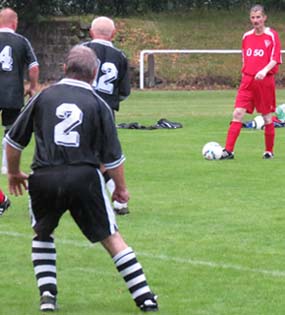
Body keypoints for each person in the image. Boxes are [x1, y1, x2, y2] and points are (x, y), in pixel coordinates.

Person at [5, 45, 158, 313]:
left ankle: (48, 297)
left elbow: (13, 141)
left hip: (44, 176)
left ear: (64, 69)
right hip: (84, 177)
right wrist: (121, 190)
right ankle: (145, 298)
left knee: (42, 233)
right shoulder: (99, 104)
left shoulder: (42, 97)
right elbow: (114, 158)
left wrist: (15, 173)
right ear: (95, 73)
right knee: (112, 238)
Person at [82, 16, 131, 215]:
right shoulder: (120, 56)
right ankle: (119, 201)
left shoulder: (81, 51)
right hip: (106, 112)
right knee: (106, 156)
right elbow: (125, 90)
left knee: (74, 153)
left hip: (80, 106)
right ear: (113, 34)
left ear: (91, 32)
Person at [221, 4, 282, 160]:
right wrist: (245, 73)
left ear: (264, 18)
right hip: (247, 81)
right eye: (253, 18)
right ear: (250, 19)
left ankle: (269, 151)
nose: (256, 21)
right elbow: (244, 57)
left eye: (258, 17)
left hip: (265, 81)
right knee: (237, 113)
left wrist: (263, 70)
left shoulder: (271, 35)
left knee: (267, 117)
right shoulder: (246, 36)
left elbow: (275, 59)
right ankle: (228, 151)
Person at [0, 7, 39, 174]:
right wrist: (32, 87)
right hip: (12, 92)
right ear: (15, 23)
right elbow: (34, 66)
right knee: (11, 129)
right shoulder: (22, 41)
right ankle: (6, 165)